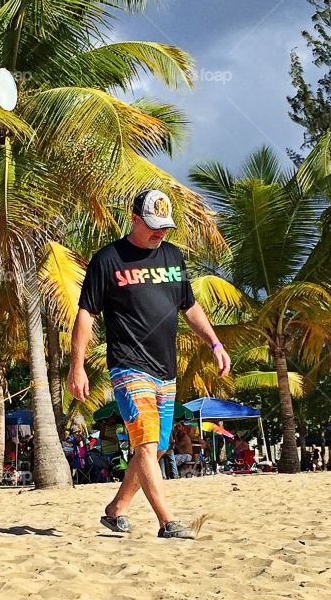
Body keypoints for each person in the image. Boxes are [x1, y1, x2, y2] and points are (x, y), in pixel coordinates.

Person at [68, 188, 230, 538]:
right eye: (153, 226)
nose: (160, 233)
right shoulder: (109, 259)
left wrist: (214, 342)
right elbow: (86, 314)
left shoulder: (172, 257)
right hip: (128, 367)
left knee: (157, 448)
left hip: (165, 370)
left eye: (165, 227)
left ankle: (116, 509)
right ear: (135, 219)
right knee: (143, 443)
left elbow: (189, 306)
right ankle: (167, 522)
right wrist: (76, 365)